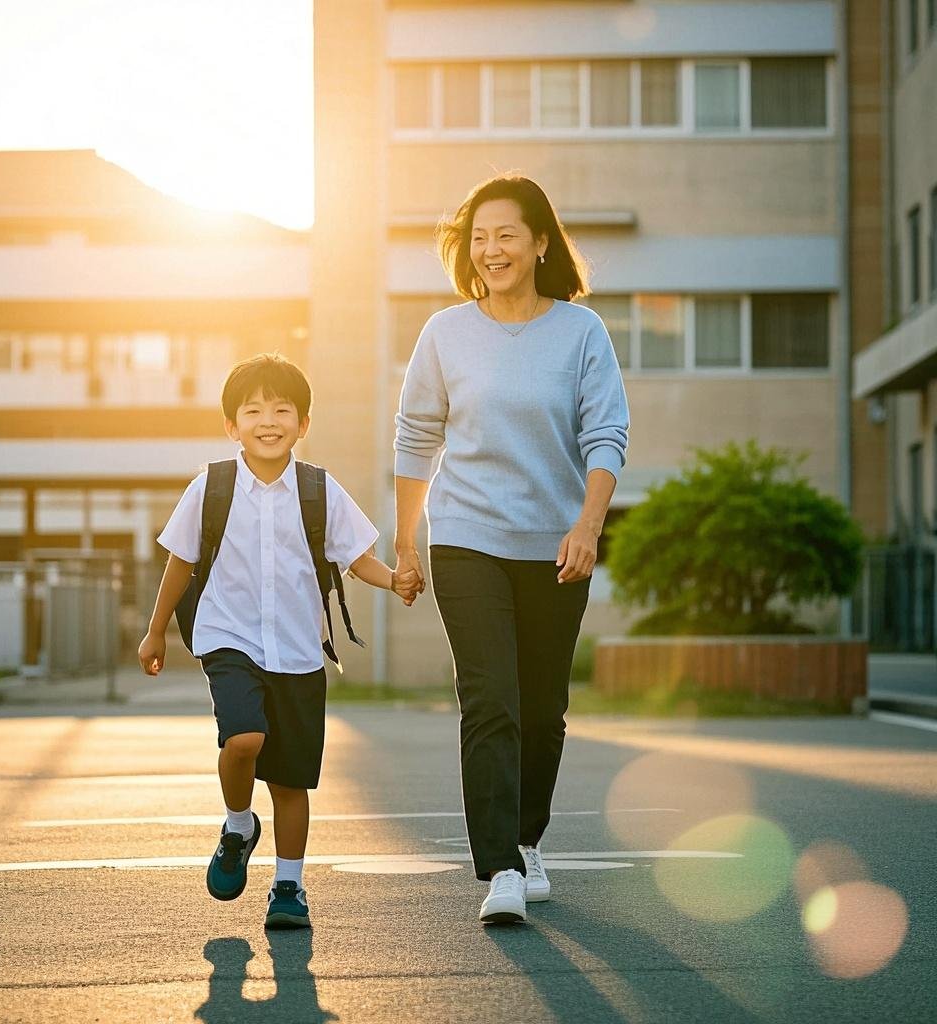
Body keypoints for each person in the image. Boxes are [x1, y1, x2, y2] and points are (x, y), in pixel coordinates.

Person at [393, 174, 630, 925]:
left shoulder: (580, 333)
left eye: (505, 235)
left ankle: (527, 842)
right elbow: (416, 436)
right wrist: (406, 541)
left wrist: (588, 525)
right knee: (490, 699)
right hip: (466, 537)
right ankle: (499, 866)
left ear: (539, 243)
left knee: (542, 708)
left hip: (555, 545)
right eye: (479, 237)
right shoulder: (445, 333)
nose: (490, 250)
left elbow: (606, 434)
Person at [139, 353, 419, 929]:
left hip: (297, 649)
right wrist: (155, 630)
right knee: (244, 738)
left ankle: (288, 887)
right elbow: (180, 560)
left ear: (303, 423)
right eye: (253, 410)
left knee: (291, 781)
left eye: (282, 409)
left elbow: (355, 557)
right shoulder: (211, 486)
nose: (268, 421)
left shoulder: (319, 489)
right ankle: (239, 824)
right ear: (231, 425)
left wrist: (394, 580)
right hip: (229, 637)